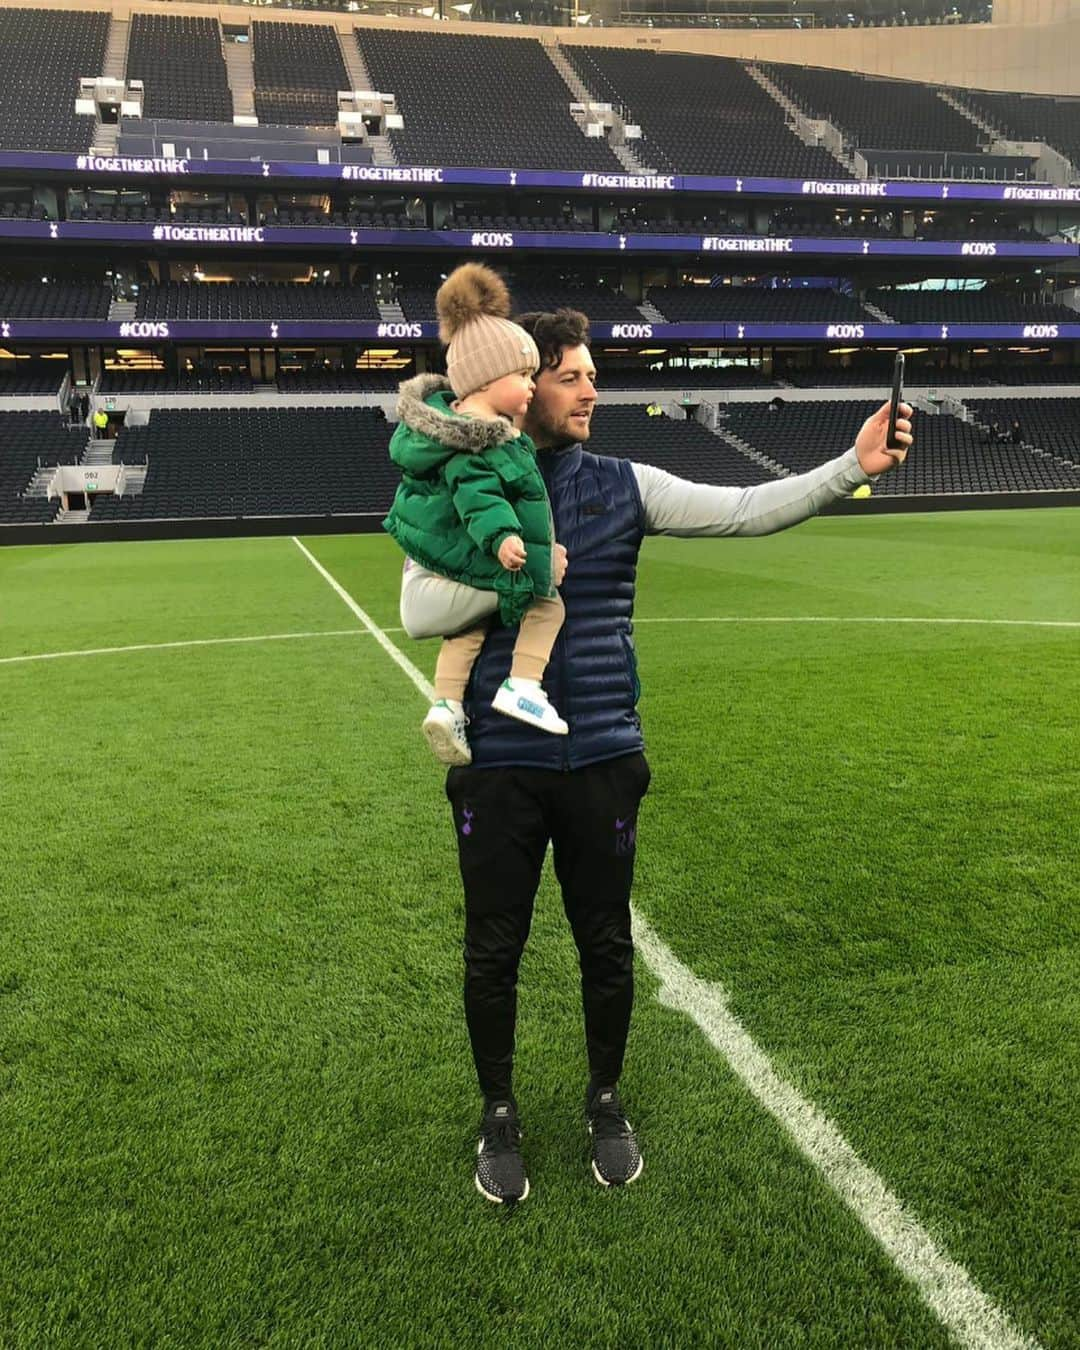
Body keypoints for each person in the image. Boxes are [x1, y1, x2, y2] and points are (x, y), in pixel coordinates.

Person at [400, 307, 913, 1207]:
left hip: (603, 755)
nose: (591, 389)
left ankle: (605, 1100)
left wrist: (850, 469)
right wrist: (520, 573)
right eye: (571, 376)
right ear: (519, 391)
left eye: (593, 373)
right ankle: (499, 1111)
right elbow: (417, 614)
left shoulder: (624, 483)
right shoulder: (457, 482)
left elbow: (747, 510)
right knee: (494, 948)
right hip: (500, 762)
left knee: (607, 941)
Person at [383, 264, 568, 767]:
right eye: (524, 375)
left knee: (466, 630)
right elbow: (477, 495)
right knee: (548, 605)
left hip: (458, 554)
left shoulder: (462, 429)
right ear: (488, 379)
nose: (532, 386)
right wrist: (506, 539)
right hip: (489, 551)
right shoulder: (479, 438)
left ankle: (446, 704)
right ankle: (523, 683)